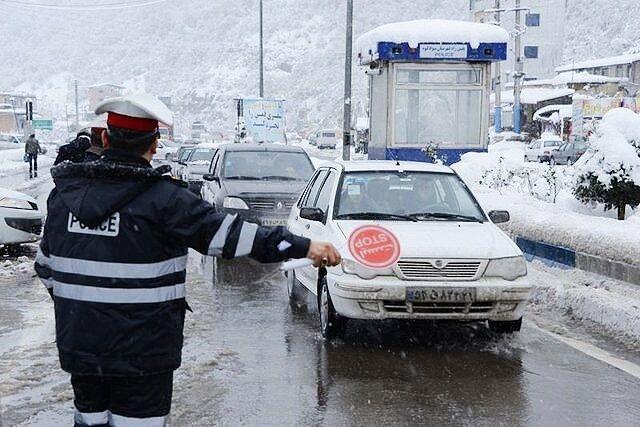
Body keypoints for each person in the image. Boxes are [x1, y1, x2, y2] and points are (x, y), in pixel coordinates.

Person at [34, 93, 340, 426]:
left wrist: (89, 312)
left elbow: (46, 268)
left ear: (105, 139)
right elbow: (235, 238)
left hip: (82, 350)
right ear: (154, 145)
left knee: (89, 421)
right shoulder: (166, 202)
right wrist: (304, 247)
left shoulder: (64, 198)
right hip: (143, 354)